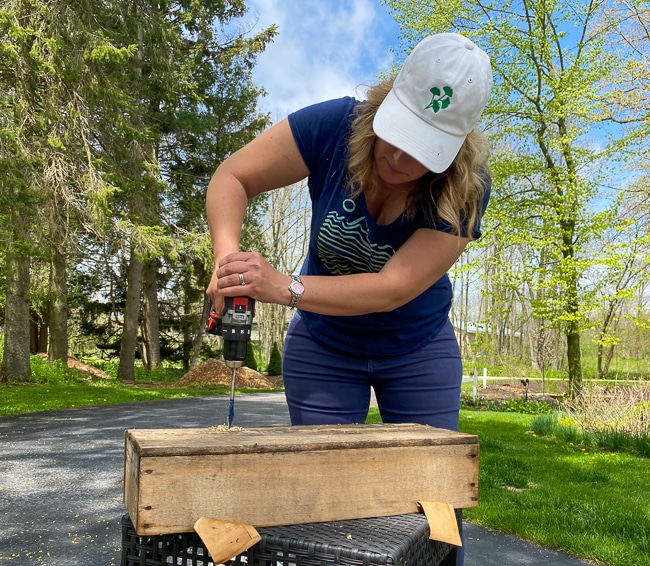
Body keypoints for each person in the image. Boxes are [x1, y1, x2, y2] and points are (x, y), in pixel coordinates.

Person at [206, 32, 492, 432]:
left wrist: (286, 287)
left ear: (455, 148)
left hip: (418, 345)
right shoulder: (335, 126)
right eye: (398, 131)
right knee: (322, 485)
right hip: (324, 341)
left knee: (432, 487)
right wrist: (227, 264)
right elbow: (232, 176)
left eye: (423, 148)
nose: (397, 157)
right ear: (386, 101)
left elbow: (391, 288)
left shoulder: (467, 186)